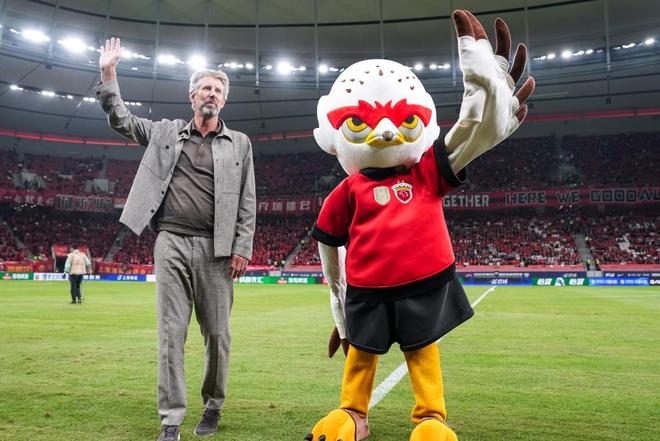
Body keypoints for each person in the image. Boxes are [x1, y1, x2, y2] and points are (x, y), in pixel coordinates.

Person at [96, 38, 256, 441]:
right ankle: (171, 420)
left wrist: (242, 247)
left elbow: (247, 199)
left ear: (224, 101)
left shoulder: (240, 143)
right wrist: (108, 73)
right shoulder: (165, 132)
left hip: (217, 250)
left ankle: (213, 405)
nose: (212, 95)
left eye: (218, 90)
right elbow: (122, 121)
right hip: (170, 242)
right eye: (206, 88)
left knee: (217, 334)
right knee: (171, 333)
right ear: (192, 96)